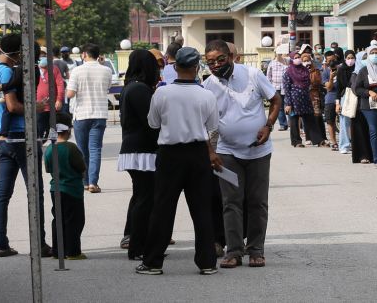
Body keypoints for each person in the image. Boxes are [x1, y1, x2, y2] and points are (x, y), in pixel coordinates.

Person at [137, 46, 222, 276]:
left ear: (175, 67)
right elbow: (213, 126)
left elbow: (153, 123)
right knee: (202, 209)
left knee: (162, 209)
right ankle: (207, 262)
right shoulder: (206, 94)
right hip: (198, 154)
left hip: (170, 154)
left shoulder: (162, 93)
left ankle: (153, 262)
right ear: (197, 68)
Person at [202, 40, 281, 269]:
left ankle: (256, 250)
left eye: (220, 60)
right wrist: (210, 152)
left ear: (231, 56)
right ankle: (234, 251)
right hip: (227, 153)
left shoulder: (253, 74)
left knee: (257, 202)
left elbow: (276, 100)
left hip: (259, 152)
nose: (216, 65)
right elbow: (201, 124)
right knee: (231, 203)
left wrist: (268, 126)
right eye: (210, 62)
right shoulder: (208, 87)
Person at [0, 35, 51, 258]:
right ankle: (39, 243)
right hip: (20, 135)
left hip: (3, 136)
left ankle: (0, 243)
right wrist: (36, 107)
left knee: (3, 193)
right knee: (35, 191)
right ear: (19, 53)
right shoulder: (9, 72)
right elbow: (13, 105)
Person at [118, 49, 162, 261]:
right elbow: (151, 121)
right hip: (142, 150)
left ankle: (137, 243)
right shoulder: (140, 90)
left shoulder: (131, 87)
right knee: (146, 199)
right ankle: (138, 245)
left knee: (141, 197)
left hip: (135, 148)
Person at [66, 43, 112, 193]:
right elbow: (107, 88)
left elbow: (70, 94)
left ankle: (84, 182)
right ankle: (93, 182)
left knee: (82, 150)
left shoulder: (77, 71)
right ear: (98, 55)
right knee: (95, 149)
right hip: (99, 115)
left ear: (84, 54)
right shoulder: (106, 70)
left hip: (82, 115)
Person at [44, 112, 86, 260]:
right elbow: (81, 166)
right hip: (72, 190)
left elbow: (48, 169)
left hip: (55, 188)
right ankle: (73, 251)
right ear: (68, 130)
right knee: (74, 221)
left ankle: (57, 251)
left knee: (58, 220)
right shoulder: (71, 148)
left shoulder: (49, 149)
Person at [281, 51, 319, 147]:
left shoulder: (305, 70)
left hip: (305, 98)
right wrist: (288, 103)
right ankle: (296, 141)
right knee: (294, 121)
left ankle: (317, 139)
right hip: (294, 100)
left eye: (299, 57)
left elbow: (308, 83)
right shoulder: (288, 72)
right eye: (296, 57)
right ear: (292, 59)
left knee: (310, 119)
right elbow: (286, 88)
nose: (298, 59)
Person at [36, 51, 65, 142]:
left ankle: (53, 148)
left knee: (52, 130)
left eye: (44, 55)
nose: (43, 57)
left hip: (52, 106)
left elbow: (60, 85)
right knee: (40, 129)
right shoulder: (34, 69)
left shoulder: (54, 68)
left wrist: (59, 100)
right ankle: (39, 147)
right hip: (38, 106)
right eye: (41, 55)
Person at [334, 50, 357, 155]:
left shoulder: (358, 69)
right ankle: (344, 145)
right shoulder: (341, 70)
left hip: (357, 96)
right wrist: (337, 103)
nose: (350, 60)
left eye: (352, 58)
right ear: (344, 58)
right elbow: (338, 88)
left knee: (357, 122)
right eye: (348, 58)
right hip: (345, 97)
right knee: (344, 122)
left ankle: (356, 144)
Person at [265, 45, 289, 131]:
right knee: (280, 106)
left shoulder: (287, 61)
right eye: (277, 52)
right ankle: (283, 124)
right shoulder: (272, 63)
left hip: (286, 87)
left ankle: (291, 122)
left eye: (280, 52)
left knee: (289, 105)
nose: (279, 54)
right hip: (276, 87)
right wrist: (269, 88)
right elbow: (268, 76)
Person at [321, 52, 338, 149]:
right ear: (326, 61)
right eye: (329, 61)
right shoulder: (325, 72)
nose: (332, 62)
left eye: (333, 60)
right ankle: (334, 142)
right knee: (330, 122)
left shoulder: (341, 69)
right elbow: (329, 88)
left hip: (342, 97)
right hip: (330, 99)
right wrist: (331, 78)